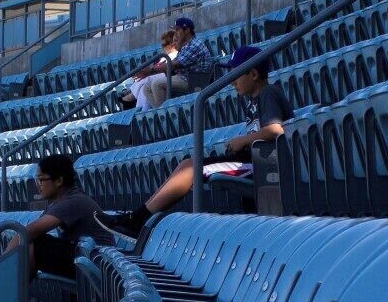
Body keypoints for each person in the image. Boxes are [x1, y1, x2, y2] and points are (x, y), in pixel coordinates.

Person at [112, 48, 288, 233]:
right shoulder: (254, 98)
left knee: (193, 170)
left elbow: (276, 129)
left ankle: (137, 221)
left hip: (263, 165)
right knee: (188, 164)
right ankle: (137, 216)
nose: (232, 81)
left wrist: (243, 140)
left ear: (253, 74)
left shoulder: (269, 93)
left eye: (235, 74)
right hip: (252, 161)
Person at [10, 154, 113, 277]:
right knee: (34, 243)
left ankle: (12, 292)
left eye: (41, 179)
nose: (38, 185)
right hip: (84, 257)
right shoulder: (59, 202)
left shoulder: (72, 201)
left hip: (99, 265)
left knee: (34, 245)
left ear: (59, 181)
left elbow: (28, 232)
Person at [122, 25, 188, 111]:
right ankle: (143, 113)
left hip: (172, 76)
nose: (164, 46)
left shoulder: (178, 53)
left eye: (166, 43)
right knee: (144, 87)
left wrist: (150, 71)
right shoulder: (164, 57)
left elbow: (170, 67)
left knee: (150, 80)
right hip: (164, 76)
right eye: (163, 44)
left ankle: (131, 98)